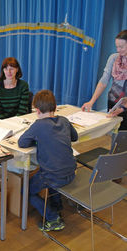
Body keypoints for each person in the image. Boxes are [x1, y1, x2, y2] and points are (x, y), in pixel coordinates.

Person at [18, 90, 78, 231]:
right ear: (55, 107)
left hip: (53, 176)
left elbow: (22, 143)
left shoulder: (38, 125)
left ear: (37, 110)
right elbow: (74, 137)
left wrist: (38, 141)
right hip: (71, 171)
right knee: (53, 169)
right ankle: (56, 206)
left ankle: (52, 217)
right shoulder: (64, 120)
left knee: (26, 191)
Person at [82, 30, 127, 130]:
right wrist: (91, 101)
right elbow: (103, 81)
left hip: (125, 104)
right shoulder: (113, 58)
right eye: (117, 46)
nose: (118, 50)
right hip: (114, 102)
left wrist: (123, 108)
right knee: (114, 132)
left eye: (121, 47)